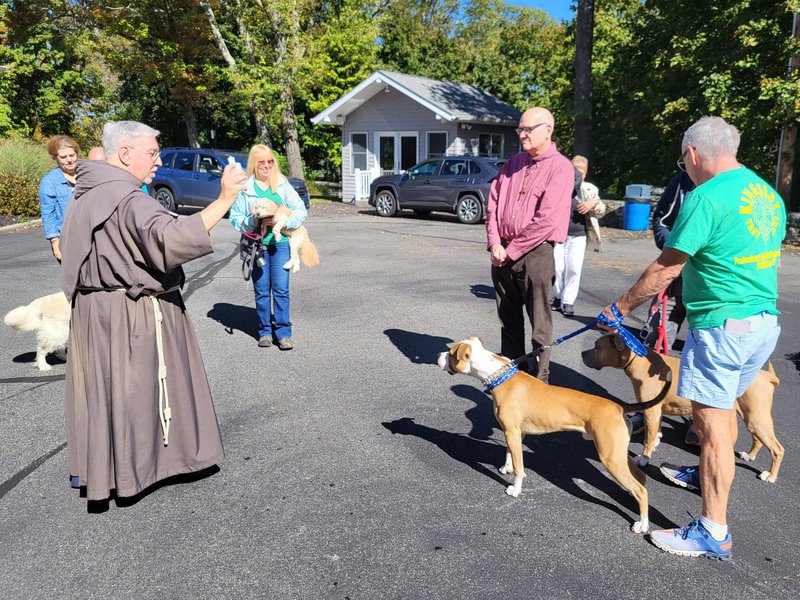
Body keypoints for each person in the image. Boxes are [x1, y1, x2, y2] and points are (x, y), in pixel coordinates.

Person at [598, 116, 785, 560]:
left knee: (715, 427)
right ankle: (704, 472)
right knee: (712, 421)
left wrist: (619, 309)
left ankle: (712, 531)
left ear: (694, 153)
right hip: (762, 323)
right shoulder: (767, 194)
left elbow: (667, 267)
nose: (684, 167)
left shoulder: (705, 197)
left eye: (683, 159)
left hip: (723, 326)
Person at [59, 120, 247, 502]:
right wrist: (225, 199)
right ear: (125, 153)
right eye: (151, 152)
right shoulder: (128, 198)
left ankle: (108, 471)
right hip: (130, 310)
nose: (159, 161)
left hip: (94, 313)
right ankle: (137, 472)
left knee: (108, 392)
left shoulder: (86, 192)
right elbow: (171, 239)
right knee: (134, 389)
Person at [485, 107, 574, 382]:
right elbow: (493, 205)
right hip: (503, 252)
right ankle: (512, 377)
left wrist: (509, 250)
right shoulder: (512, 164)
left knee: (540, 322)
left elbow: (546, 220)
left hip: (536, 253)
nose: (521, 135)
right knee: (508, 320)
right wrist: (495, 243)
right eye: (520, 129)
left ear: (547, 130)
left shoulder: (560, 168)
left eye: (527, 129)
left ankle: (539, 380)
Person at [628, 170, 697, 441]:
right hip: (672, 278)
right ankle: (649, 410)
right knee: (656, 343)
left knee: (699, 352)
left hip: (705, 287)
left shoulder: (728, 186)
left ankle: (697, 415)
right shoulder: (681, 180)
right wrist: (673, 248)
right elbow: (660, 219)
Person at [229, 144, 308, 350]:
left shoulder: (281, 184)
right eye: (261, 162)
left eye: (270, 161)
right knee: (262, 290)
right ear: (254, 164)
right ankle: (264, 331)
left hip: (281, 244)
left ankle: (283, 333)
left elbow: (300, 210)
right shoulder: (246, 188)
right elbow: (235, 218)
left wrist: (284, 222)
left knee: (281, 289)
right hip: (257, 246)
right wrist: (253, 222)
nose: (266, 166)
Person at [551, 155, 606, 316]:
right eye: (574, 170)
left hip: (579, 234)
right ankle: (557, 296)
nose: (577, 174)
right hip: (559, 233)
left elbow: (602, 209)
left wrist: (593, 204)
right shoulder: (560, 185)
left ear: (586, 173)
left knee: (574, 268)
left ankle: (568, 301)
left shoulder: (590, 189)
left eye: (581, 171)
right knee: (558, 267)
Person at [39, 135, 81, 262]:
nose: (69, 160)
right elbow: (48, 214)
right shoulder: (49, 181)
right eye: (63, 157)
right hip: (66, 239)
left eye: (71, 155)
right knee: (74, 280)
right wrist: (55, 242)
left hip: (90, 236)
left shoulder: (87, 175)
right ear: (55, 158)